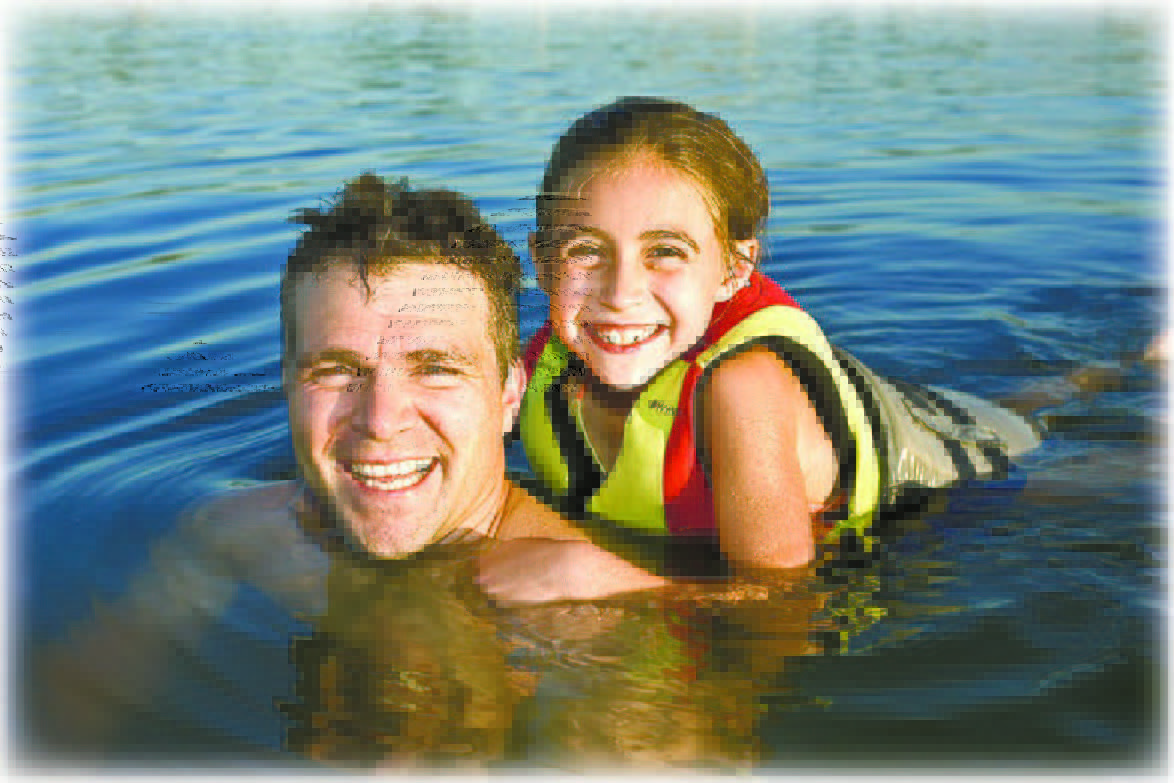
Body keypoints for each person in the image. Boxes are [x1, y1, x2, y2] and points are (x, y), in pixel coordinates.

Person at [27, 173, 666, 757]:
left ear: (508, 394)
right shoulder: (238, 536)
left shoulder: (588, 594)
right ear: (286, 383)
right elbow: (64, 706)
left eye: (436, 368)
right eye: (337, 371)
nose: (380, 420)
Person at [517, 96, 1042, 574]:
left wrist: (590, 581)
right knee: (1033, 401)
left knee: (1078, 470)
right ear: (542, 263)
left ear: (733, 270)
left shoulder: (742, 389)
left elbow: (775, 605)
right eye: (585, 250)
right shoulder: (536, 367)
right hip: (895, 407)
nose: (620, 292)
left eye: (666, 251)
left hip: (958, 481)